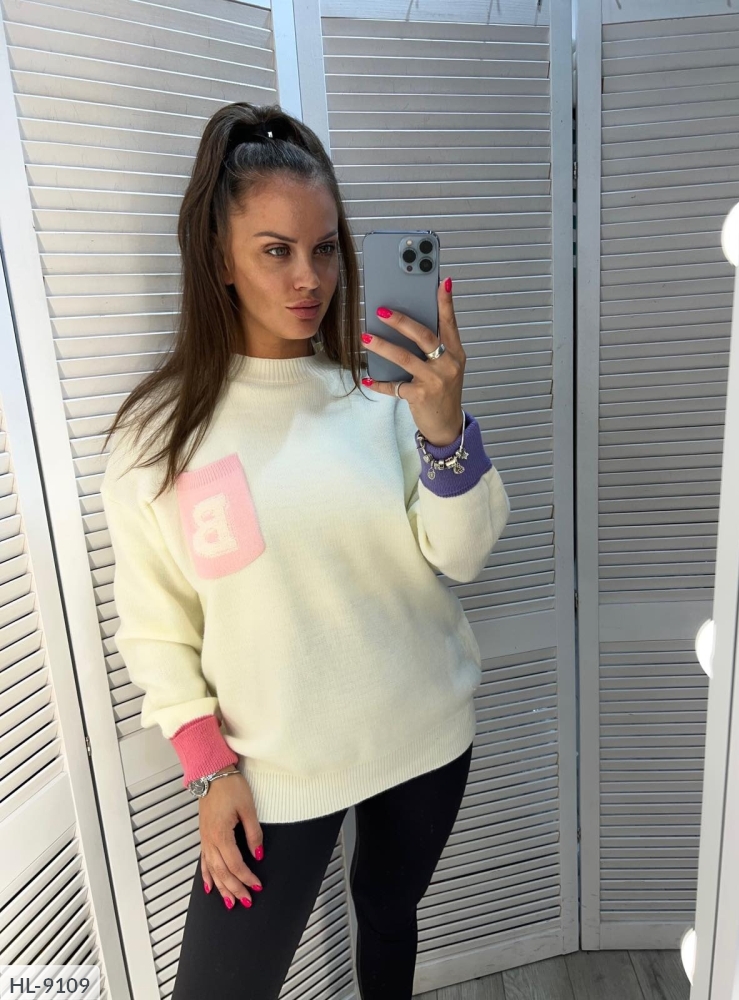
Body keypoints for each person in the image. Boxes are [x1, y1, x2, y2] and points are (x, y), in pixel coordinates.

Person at [100, 101, 511, 999]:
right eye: (275, 250)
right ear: (220, 258)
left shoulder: (381, 402)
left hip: (423, 735)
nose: (308, 278)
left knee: (388, 918)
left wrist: (444, 430)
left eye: (325, 249)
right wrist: (209, 768)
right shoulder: (157, 439)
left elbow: (463, 555)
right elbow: (157, 627)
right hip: (271, 773)